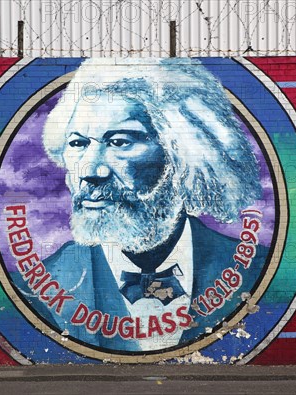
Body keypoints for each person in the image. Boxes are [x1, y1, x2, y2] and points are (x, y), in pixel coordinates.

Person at [22, 58, 267, 352]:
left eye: (120, 142)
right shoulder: (39, 286)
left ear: (183, 154)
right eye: (78, 144)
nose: (90, 170)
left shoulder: (255, 271)